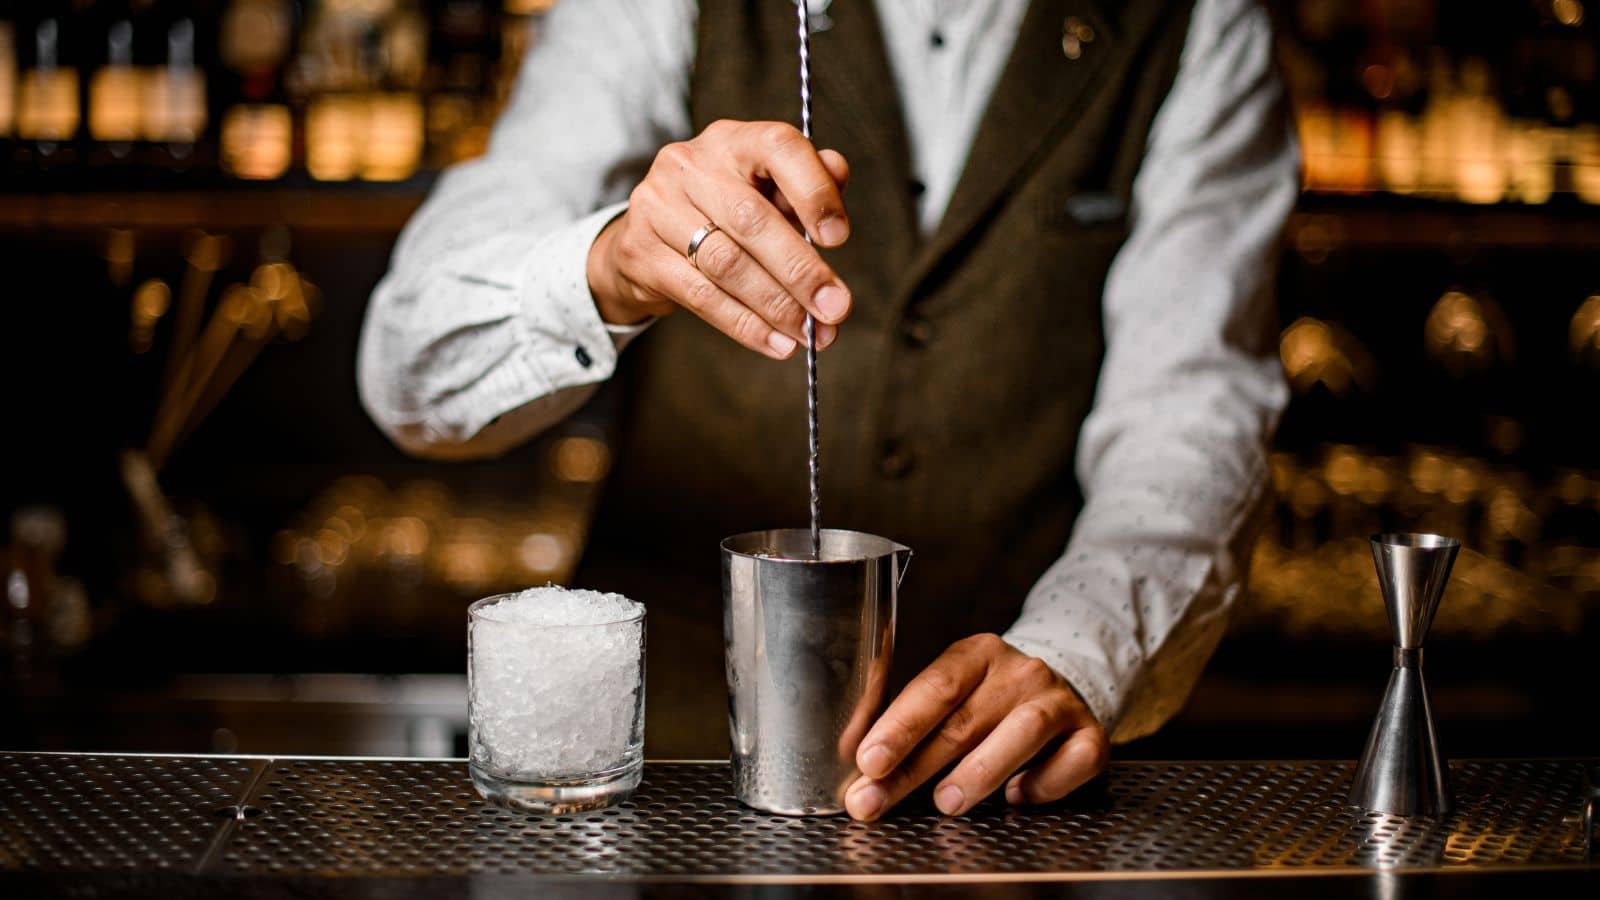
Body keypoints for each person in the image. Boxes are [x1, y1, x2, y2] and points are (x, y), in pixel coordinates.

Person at [359, 0, 1298, 822]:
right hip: (670, 783)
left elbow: (1194, 404)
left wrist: (1082, 649)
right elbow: (409, 373)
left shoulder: (1200, 23)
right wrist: (609, 266)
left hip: (1002, 795)